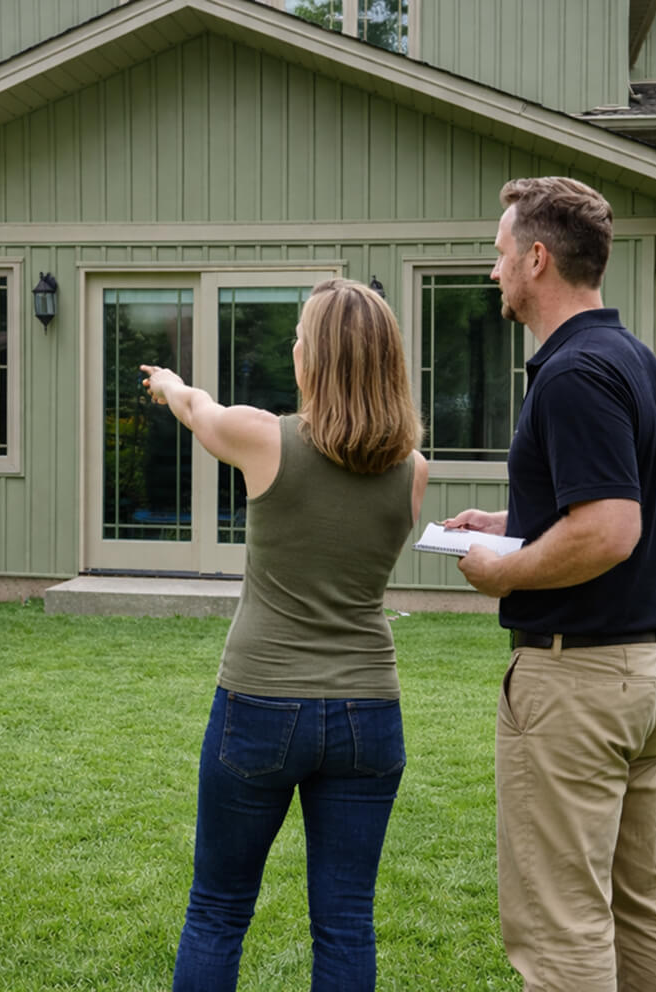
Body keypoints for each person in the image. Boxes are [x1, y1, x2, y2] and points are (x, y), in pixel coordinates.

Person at [141, 278, 428, 992]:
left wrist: (174, 383)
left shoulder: (263, 437)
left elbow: (197, 410)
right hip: (369, 713)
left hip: (261, 707)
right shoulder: (414, 470)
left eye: (302, 337)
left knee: (217, 909)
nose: (295, 346)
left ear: (316, 361)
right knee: (346, 922)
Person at [443, 176, 656, 991]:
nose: (494, 272)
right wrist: (514, 522)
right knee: (643, 897)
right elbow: (605, 507)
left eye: (500, 254)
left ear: (537, 259)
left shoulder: (573, 373)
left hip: (577, 682)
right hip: (645, 672)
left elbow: (611, 528)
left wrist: (503, 570)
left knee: (563, 923)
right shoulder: (635, 363)